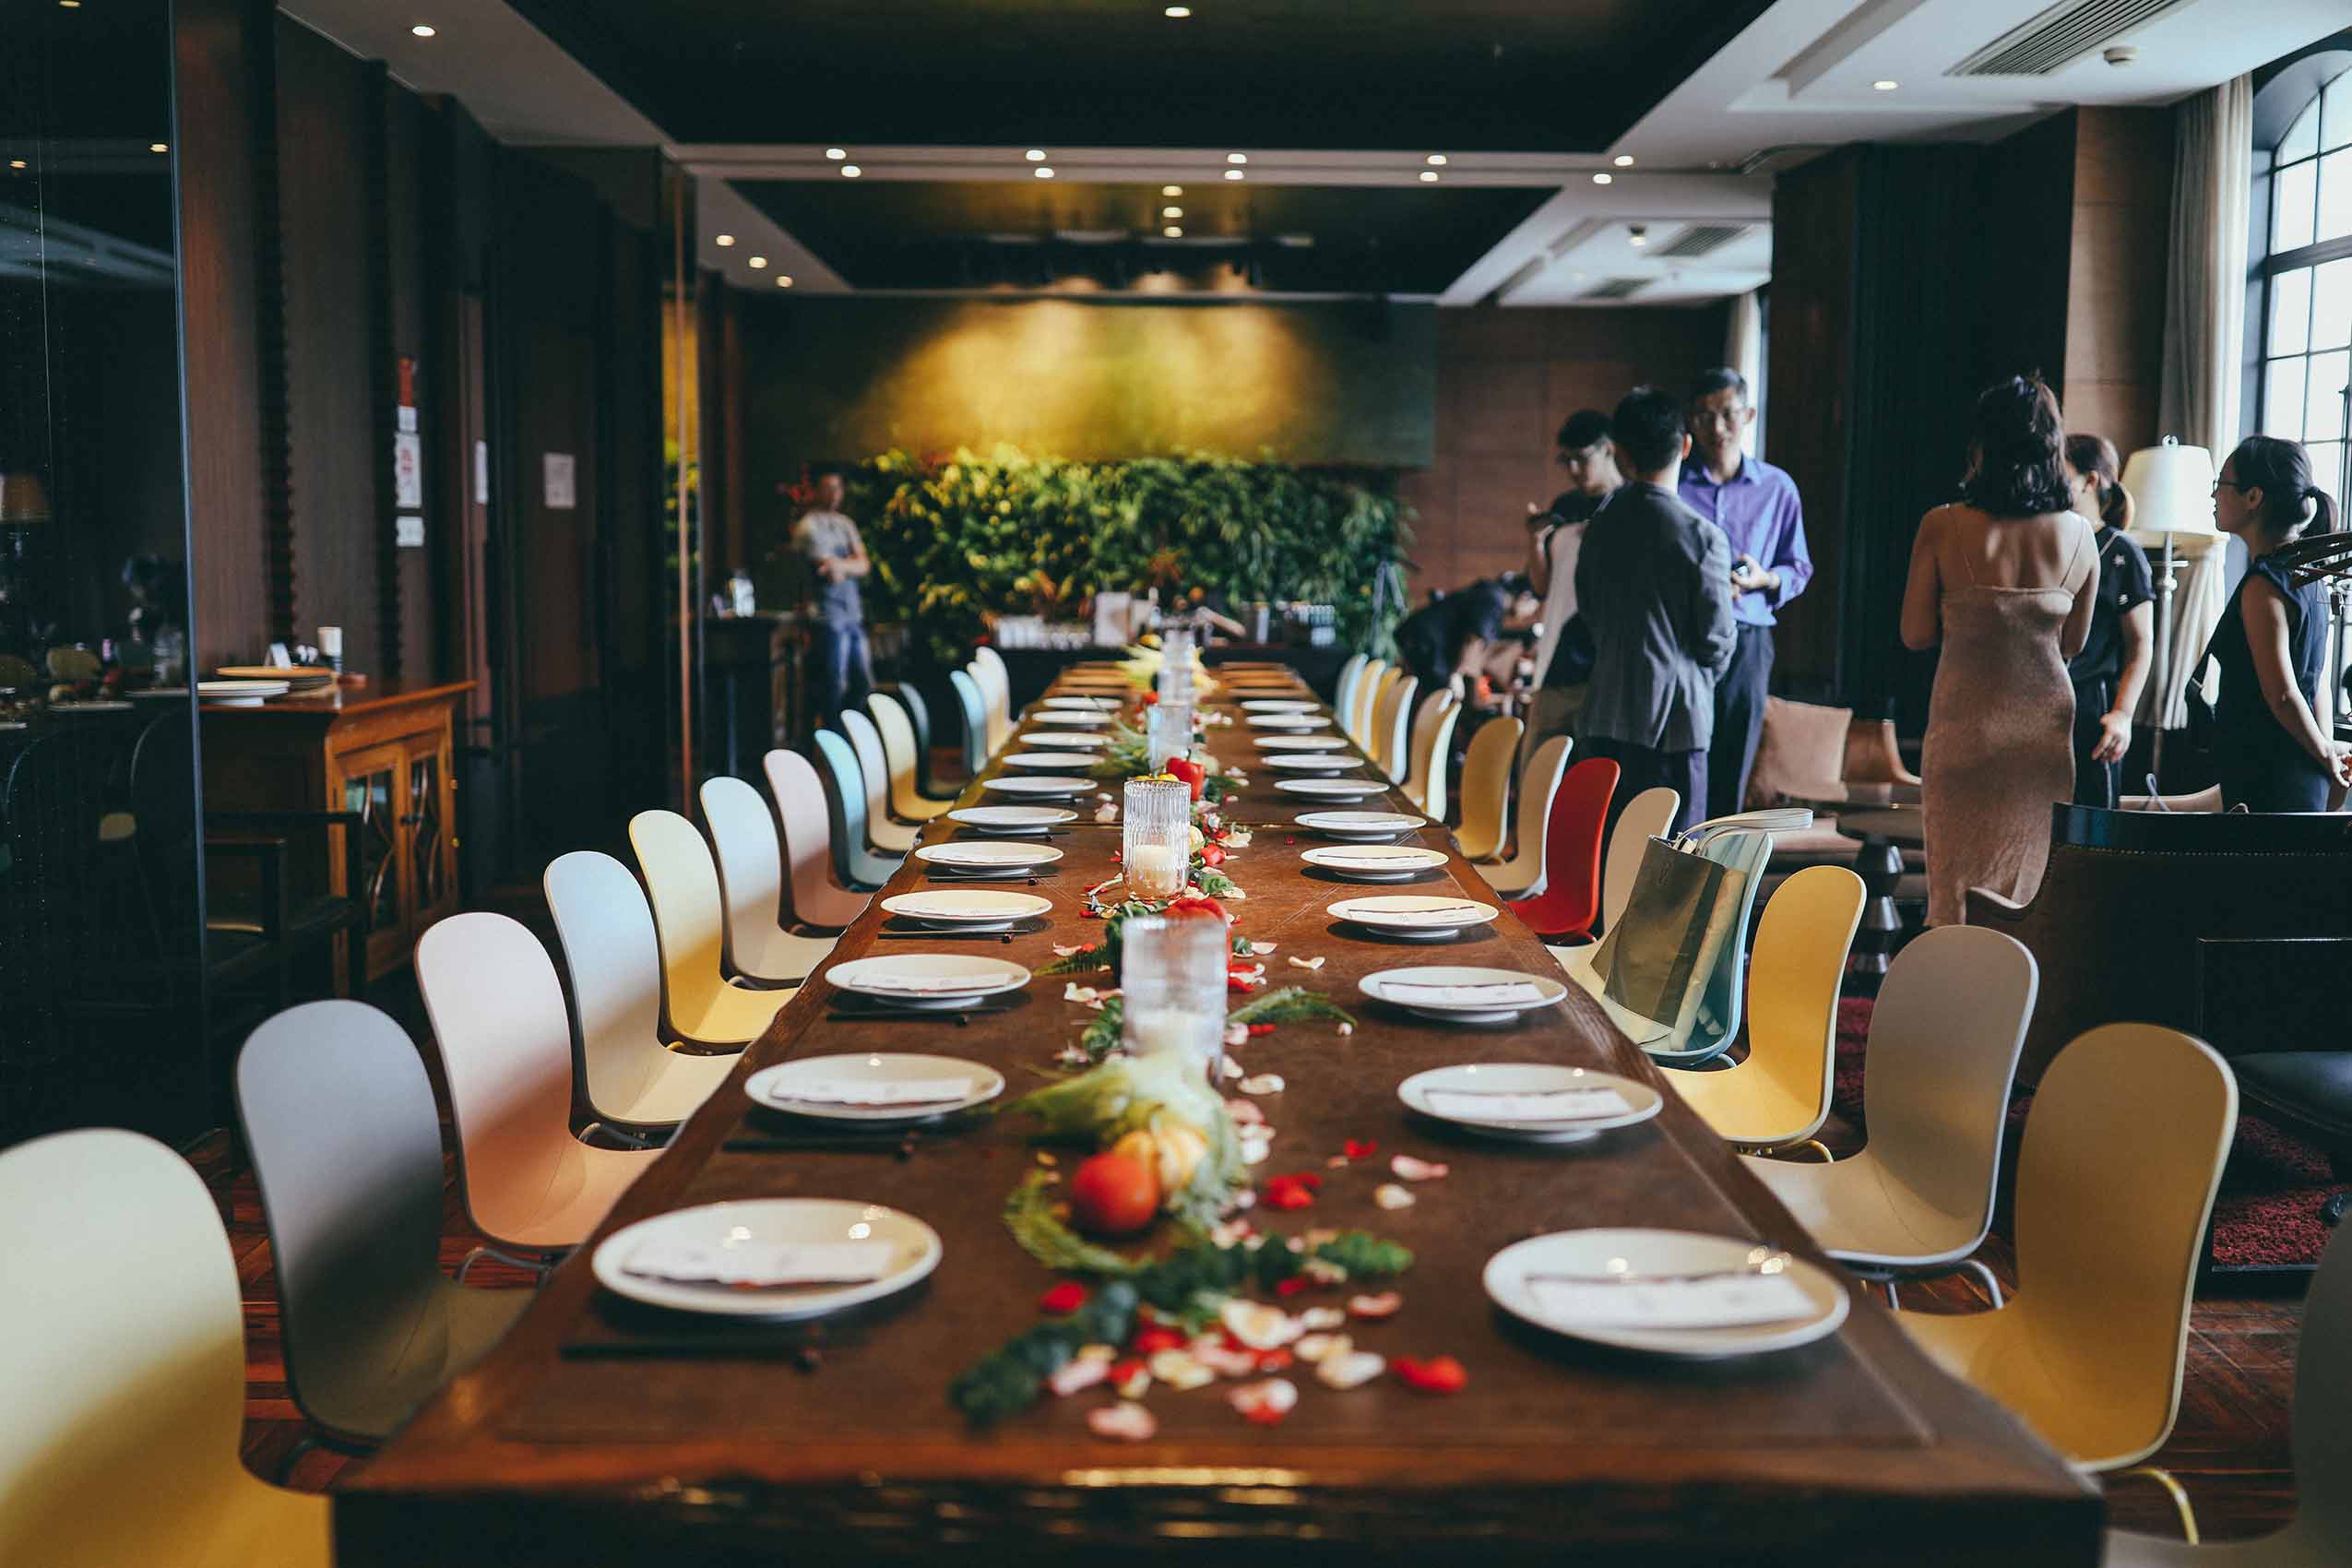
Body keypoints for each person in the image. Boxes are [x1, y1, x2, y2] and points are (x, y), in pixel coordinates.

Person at [1900, 376, 2097, 927]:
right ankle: (2020, 1006)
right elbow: (2074, 645)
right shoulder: (2081, 535)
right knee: (2028, 896)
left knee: (1954, 892)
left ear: (1983, 444)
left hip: (1965, 733)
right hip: (2041, 745)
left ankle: (1955, 1005)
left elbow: (1915, 634)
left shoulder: (1942, 525)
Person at [1575, 386, 1736, 837]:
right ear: (1686, 445)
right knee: (1673, 870)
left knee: (1607, 860)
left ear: (1621, 456)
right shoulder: (1701, 536)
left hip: (1603, 714)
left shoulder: (1598, 527)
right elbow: (1717, 640)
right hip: (1675, 723)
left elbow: (1590, 613)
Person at [1680, 368, 1812, 820]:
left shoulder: (1777, 487)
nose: (1716, 429)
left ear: (1748, 415)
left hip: (1748, 637)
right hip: (1685, 640)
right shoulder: (1674, 485)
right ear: (1690, 423)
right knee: (1683, 759)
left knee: (1732, 762)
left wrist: (1763, 579)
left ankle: (1721, 881)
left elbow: (1798, 568)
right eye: (1703, 417)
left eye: (1727, 415)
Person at [2201, 435, 2350, 811]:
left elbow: (2283, 695)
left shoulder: (2264, 584)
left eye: (2222, 485)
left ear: (2254, 497)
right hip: (2298, 773)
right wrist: (2323, 754)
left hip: (2267, 778)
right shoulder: (2310, 576)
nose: (2215, 495)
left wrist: (2328, 760)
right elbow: (2315, 686)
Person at [2060, 434, 2155, 809]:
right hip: (2040, 704)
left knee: (2088, 830)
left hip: (2091, 709)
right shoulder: (2049, 542)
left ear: (2090, 480)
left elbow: (2141, 643)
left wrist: (2122, 714)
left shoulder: (2122, 552)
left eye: (2059, 470)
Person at [1524, 410, 1619, 743]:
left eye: (1581, 458)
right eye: (1566, 460)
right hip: (1559, 660)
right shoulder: (1565, 505)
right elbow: (1541, 587)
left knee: (1592, 778)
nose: (1574, 470)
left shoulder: (1630, 505)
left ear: (1609, 448)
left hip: (1608, 665)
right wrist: (1536, 541)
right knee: (1538, 767)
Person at [791, 469, 873, 726]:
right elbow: (828, 569)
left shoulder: (846, 524)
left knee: (863, 682)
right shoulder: (808, 526)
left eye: (838, 487)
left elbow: (863, 564)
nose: (835, 493)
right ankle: (832, 739)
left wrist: (843, 565)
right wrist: (848, 563)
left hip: (852, 614)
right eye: (829, 488)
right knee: (833, 684)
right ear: (816, 491)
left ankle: (848, 732)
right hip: (828, 616)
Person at [1391, 577, 1510, 702]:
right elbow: (1473, 638)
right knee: (1439, 696)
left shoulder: (1490, 592)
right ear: (1525, 597)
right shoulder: (1494, 602)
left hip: (1418, 633)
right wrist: (1457, 674)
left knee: (1414, 690)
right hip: (1427, 643)